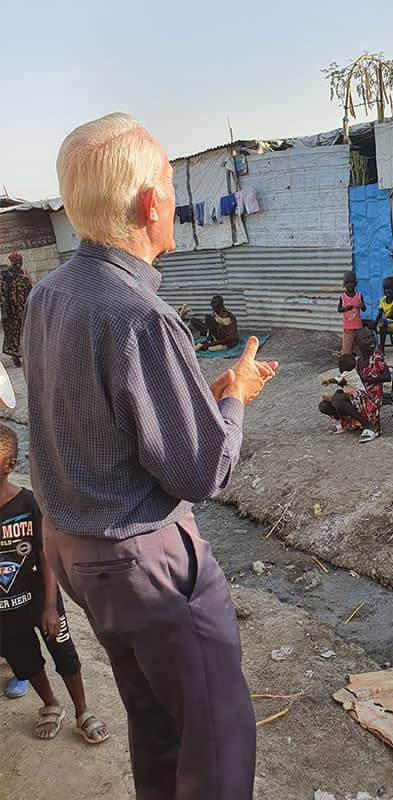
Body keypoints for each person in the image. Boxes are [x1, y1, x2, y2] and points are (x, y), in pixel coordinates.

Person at [22, 113, 278, 799]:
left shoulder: (50, 294)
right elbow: (203, 471)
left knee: (159, 727)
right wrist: (238, 397)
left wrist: (205, 394)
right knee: (218, 743)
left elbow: (96, 417)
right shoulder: (139, 313)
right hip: (145, 564)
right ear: (149, 204)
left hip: (78, 553)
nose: (173, 197)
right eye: (168, 183)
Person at [0, 424, 109, 743]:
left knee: (65, 654)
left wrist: (50, 605)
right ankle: (50, 704)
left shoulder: (30, 505)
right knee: (25, 660)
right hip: (4, 611)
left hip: (40, 601)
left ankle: (82, 711)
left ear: (10, 466)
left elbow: (45, 554)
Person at [318, 327, 388, 442]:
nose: (371, 340)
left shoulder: (377, 356)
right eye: (366, 338)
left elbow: (387, 377)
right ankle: (350, 424)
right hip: (356, 394)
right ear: (357, 344)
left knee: (338, 399)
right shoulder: (353, 359)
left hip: (372, 395)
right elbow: (346, 380)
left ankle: (370, 426)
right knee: (324, 406)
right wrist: (340, 382)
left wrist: (364, 379)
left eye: (371, 337)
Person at [1, 253, 33, 368]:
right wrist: (4, 310)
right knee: (13, 333)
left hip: (25, 309)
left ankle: (26, 355)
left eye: (20, 260)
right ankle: (15, 357)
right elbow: (1, 293)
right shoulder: (5, 275)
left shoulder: (24, 274)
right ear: (11, 262)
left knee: (26, 332)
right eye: (16, 261)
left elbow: (31, 289)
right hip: (12, 311)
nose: (18, 263)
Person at [338, 271, 366, 354]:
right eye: (347, 283)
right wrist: (345, 308)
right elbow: (339, 309)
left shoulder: (359, 295)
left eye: (352, 283)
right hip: (348, 327)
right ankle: (346, 360)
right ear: (344, 284)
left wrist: (362, 306)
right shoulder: (342, 297)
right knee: (347, 346)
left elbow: (364, 309)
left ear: (355, 283)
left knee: (358, 346)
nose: (350, 285)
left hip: (358, 326)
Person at [374, 276, 393, 351]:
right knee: (369, 323)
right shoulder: (382, 300)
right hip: (387, 323)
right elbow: (379, 313)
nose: (387, 291)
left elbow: (392, 315)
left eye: (389, 289)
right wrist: (376, 322)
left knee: (383, 323)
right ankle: (372, 345)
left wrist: (381, 321)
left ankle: (382, 347)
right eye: (385, 289)